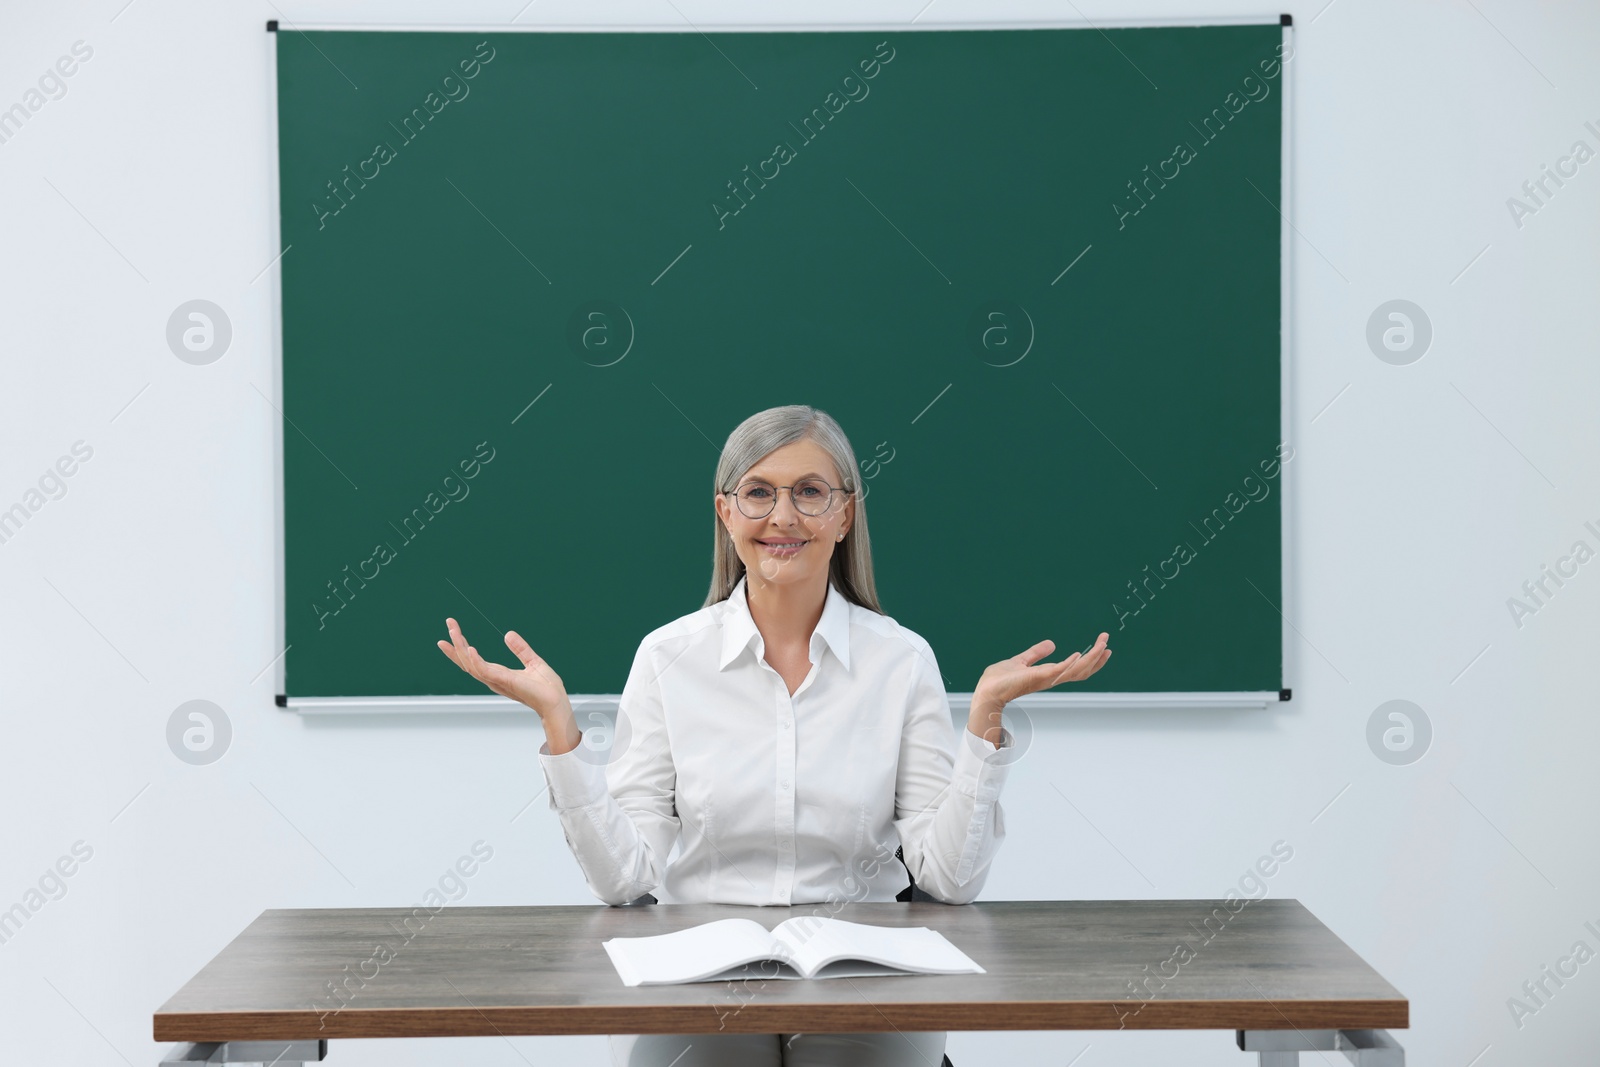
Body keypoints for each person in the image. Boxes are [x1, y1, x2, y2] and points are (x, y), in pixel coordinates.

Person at [437, 404, 1113, 1066]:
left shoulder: (902, 661)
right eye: (759, 491)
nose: (783, 516)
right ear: (725, 511)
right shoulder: (667, 657)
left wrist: (984, 727)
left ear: (845, 515)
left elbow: (950, 879)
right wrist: (560, 728)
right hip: (697, 965)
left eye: (810, 492)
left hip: (867, 963)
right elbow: (623, 880)